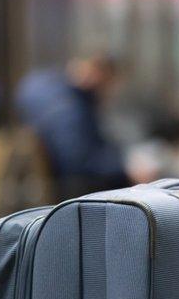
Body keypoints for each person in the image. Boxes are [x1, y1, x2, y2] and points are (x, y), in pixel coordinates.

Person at [14, 54, 138, 199]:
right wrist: (125, 168)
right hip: (70, 191)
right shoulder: (69, 110)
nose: (108, 94)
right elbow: (80, 161)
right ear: (98, 75)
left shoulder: (45, 86)